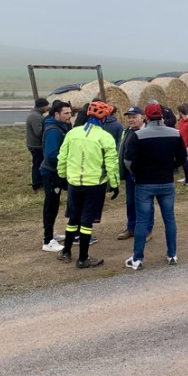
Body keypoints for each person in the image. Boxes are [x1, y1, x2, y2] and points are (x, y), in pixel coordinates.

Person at [123, 103, 187, 270]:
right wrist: (170, 167)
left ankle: (137, 259)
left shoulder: (138, 135)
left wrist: (138, 172)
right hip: (166, 181)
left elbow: (128, 160)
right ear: (162, 116)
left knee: (142, 221)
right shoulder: (175, 133)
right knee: (169, 218)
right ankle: (172, 254)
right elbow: (182, 158)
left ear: (146, 116)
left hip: (144, 183)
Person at [56, 101, 119, 268]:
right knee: (86, 221)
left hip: (74, 183)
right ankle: (83, 258)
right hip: (95, 184)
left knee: (73, 218)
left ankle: (66, 251)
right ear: (104, 118)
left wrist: (62, 176)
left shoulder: (73, 133)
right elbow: (111, 163)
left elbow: (62, 157)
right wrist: (115, 184)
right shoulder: (105, 137)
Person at [38, 101, 72, 252]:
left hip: (55, 172)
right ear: (56, 114)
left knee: (54, 204)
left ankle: (51, 234)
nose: (69, 116)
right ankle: (48, 241)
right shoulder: (53, 130)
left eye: (70, 113)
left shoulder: (61, 127)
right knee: (51, 205)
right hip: (51, 173)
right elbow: (52, 155)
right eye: (66, 113)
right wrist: (69, 160)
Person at [116, 107, 154, 241]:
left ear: (143, 117)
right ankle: (131, 228)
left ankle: (147, 230)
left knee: (146, 202)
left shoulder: (149, 132)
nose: (131, 119)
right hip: (129, 173)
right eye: (129, 117)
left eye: (134, 116)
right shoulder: (126, 132)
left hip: (144, 174)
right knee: (130, 201)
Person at [26, 98, 50, 191]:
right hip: (36, 146)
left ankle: (38, 183)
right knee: (37, 165)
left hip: (35, 144)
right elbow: (39, 132)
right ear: (42, 106)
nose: (47, 108)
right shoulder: (35, 117)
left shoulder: (35, 114)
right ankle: (36, 184)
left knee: (38, 164)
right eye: (46, 106)